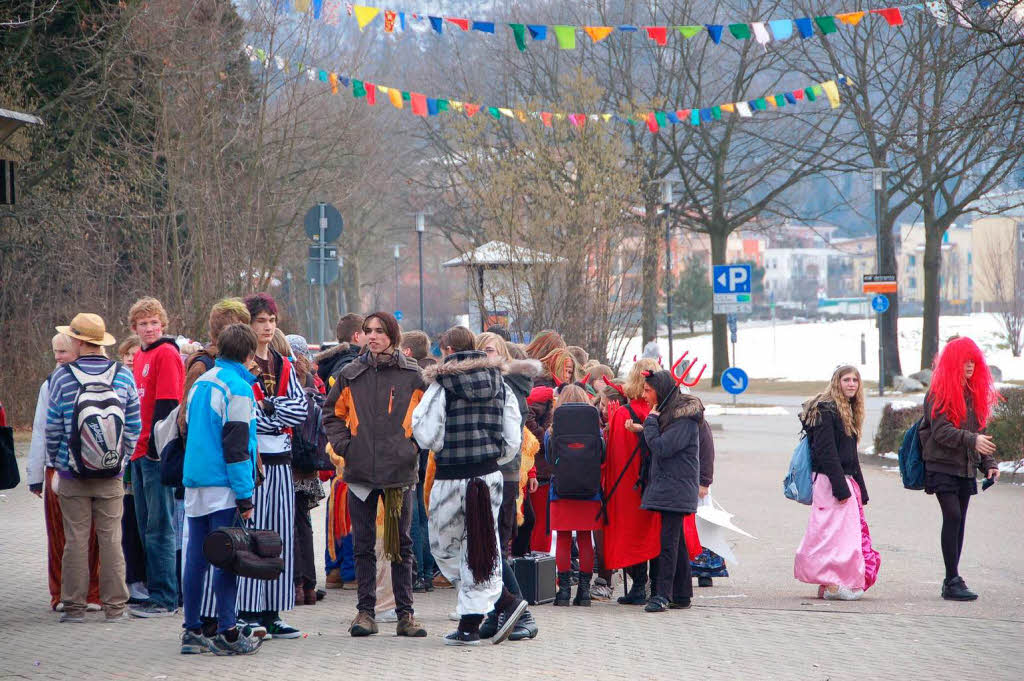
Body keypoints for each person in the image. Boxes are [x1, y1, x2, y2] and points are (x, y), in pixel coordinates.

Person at [412, 325, 526, 646]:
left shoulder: (441, 384)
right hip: (489, 475)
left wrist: (442, 448)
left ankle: (498, 605)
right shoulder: (499, 382)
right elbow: (512, 436)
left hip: (451, 476)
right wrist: (493, 457)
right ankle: (475, 619)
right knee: (480, 545)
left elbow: (425, 432)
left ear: (447, 350)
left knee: (446, 548)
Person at [324, 311, 428, 639]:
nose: (372, 336)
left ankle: (405, 615)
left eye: (379, 331)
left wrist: (411, 445)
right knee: (363, 544)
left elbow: (429, 415)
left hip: (399, 471)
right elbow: (332, 414)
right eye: (368, 331)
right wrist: (346, 447)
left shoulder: (413, 374)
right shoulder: (351, 374)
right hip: (360, 472)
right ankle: (365, 612)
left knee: (401, 545)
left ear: (392, 336)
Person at [45, 313, 141, 623]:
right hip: (111, 473)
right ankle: (115, 608)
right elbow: (134, 426)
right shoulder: (124, 375)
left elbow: (53, 428)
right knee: (112, 539)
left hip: (73, 473)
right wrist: (119, 460)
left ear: (79, 341)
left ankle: (73, 608)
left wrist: (57, 464)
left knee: (75, 539)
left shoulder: (61, 376)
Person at [180, 323, 263, 655]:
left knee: (196, 558)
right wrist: (245, 496)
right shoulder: (238, 389)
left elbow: (185, 427)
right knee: (228, 557)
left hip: (195, 481)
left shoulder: (202, 381)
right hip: (223, 485)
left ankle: (192, 629)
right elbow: (237, 447)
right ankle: (227, 632)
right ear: (248, 353)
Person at [235, 293, 308, 638]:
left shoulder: (284, 364)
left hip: (281, 463)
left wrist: (269, 408)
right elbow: (247, 415)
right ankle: (247, 608)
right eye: (260, 321)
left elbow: (300, 411)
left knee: (279, 537)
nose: (267, 327)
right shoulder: (240, 365)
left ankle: (272, 611)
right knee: (251, 537)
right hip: (252, 462)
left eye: (271, 321)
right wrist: (272, 412)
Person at [919, 337, 1000, 601]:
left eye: (973, 361)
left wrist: (988, 464)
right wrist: (971, 440)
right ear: (953, 362)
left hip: (964, 466)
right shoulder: (938, 393)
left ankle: (951, 580)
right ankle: (952, 579)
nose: (970, 365)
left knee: (960, 519)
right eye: (964, 360)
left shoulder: (973, 393)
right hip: (940, 464)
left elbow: (980, 432)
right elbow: (941, 431)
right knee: (952, 515)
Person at [28, 333, 102, 612]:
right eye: (55, 351)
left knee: (87, 534)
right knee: (62, 534)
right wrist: (36, 474)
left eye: (63, 351)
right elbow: (40, 430)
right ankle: (62, 592)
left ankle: (88, 593)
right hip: (64, 467)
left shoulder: (69, 382)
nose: (58, 357)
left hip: (80, 466)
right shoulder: (51, 383)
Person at [794, 365, 880, 601]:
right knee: (829, 535)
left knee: (843, 535)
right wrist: (840, 488)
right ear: (836, 382)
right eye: (846, 380)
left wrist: (860, 489)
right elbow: (826, 453)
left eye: (855, 380)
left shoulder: (848, 410)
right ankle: (831, 584)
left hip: (844, 480)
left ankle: (831, 582)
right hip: (829, 482)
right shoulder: (827, 411)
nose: (851, 384)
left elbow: (851, 455)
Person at [476, 331, 541, 641]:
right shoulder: (481, 383)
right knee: (486, 548)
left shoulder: (510, 387)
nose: (486, 356)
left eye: (490, 351)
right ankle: (495, 612)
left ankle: (522, 613)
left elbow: (510, 436)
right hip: (483, 472)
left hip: (504, 473)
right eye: (481, 351)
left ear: (502, 355)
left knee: (497, 549)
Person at [128, 297, 185, 618]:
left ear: (162, 324)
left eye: (153, 322)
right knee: (144, 525)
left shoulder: (166, 353)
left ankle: (165, 597)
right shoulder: (139, 355)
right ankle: (154, 589)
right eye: (143, 323)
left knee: (160, 526)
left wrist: (156, 447)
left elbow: (168, 404)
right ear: (134, 328)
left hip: (154, 453)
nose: (149, 328)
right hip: (136, 452)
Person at [636, 369, 701, 613]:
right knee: (677, 542)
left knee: (669, 542)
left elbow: (662, 447)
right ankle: (681, 595)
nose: (644, 395)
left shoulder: (683, 419)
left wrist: (649, 423)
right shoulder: (671, 415)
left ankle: (662, 595)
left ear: (660, 392)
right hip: (671, 486)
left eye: (648, 390)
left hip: (676, 487)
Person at [601, 359, 661, 604]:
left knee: (632, 533)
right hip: (657, 482)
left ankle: (638, 585)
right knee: (656, 533)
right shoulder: (662, 411)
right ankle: (658, 587)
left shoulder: (623, 414)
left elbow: (614, 457)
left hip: (629, 485)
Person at [545, 384, 604, 607]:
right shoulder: (595, 430)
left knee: (562, 538)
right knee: (585, 537)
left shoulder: (553, 431)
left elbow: (550, 460)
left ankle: (563, 593)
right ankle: (585, 592)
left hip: (561, 489)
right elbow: (602, 455)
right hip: (589, 491)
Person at [318, 313, 363, 589]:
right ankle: (350, 572)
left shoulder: (332, 366)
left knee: (338, 510)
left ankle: (334, 568)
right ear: (357, 336)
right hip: (349, 449)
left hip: (338, 449)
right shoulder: (350, 368)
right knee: (349, 512)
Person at [285, 333, 325, 607]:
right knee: (305, 525)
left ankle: (296, 584)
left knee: (290, 526)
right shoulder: (312, 381)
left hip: (288, 464)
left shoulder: (285, 379)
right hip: (308, 466)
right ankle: (309, 586)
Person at [400, 330, 438, 594]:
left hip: (415, 453)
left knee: (413, 517)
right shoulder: (437, 375)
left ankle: (417, 573)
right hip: (431, 455)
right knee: (426, 516)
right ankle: (427, 573)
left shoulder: (414, 378)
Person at [316, 313, 365, 386]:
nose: (369, 337)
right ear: (356, 336)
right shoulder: (351, 364)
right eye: (366, 332)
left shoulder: (329, 360)